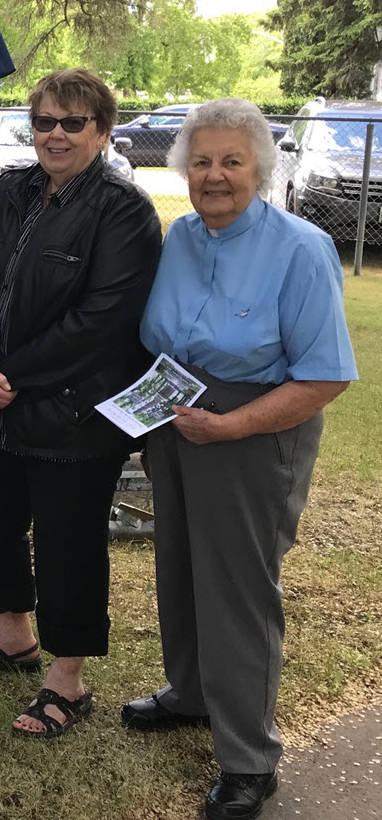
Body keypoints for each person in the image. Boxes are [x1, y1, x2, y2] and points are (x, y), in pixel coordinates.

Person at [123, 99, 356, 820]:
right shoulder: (181, 236)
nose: (214, 175)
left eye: (231, 161)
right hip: (177, 419)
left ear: (261, 168)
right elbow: (164, 335)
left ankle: (250, 760)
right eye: (201, 161)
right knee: (180, 565)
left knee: (239, 589)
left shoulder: (302, 248)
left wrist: (228, 427)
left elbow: (324, 378)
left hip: (253, 431)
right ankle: (192, 693)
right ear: (182, 170)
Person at [0, 69, 161, 738]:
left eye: (73, 122)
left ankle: (68, 680)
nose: (56, 135)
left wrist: (6, 374)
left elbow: (102, 321)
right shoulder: (10, 190)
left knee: (69, 544)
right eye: (44, 121)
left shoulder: (124, 211)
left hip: (74, 412)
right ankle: (16, 638)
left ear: (102, 130)